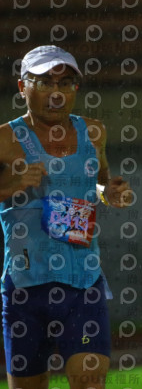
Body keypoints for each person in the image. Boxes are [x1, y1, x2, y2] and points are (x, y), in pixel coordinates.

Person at [0, 45, 132, 389]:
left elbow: (99, 182)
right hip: (25, 288)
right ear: (22, 87)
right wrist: (11, 185)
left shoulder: (94, 132)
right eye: (45, 83)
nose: (56, 93)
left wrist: (109, 192)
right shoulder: (4, 140)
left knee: (90, 384)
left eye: (65, 83)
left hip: (83, 285)